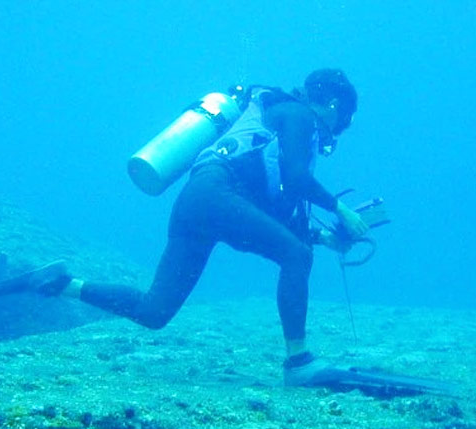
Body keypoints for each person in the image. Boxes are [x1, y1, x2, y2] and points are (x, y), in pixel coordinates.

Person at [33, 69, 369, 384]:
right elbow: (297, 178)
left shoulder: (274, 117)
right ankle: (299, 362)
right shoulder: (299, 115)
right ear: (334, 106)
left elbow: (270, 218)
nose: (338, 131)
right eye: (344, 122)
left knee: (155, 310)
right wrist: (342, 210)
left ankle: (63, 284)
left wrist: (325, 237)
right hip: (219, 193)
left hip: (199, 199)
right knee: (297, 256)